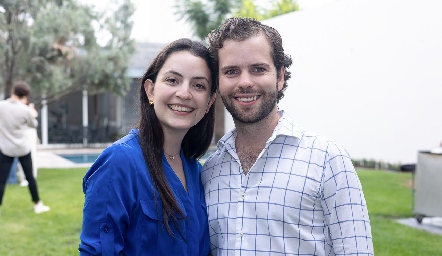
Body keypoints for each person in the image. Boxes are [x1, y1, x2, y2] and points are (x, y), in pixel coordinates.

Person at [201, 17, 374, 255]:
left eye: (258, 69)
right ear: (218, 83)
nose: (245, 82)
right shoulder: (211, 170)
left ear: (280, 77)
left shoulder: (328, 159)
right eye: (231, 72)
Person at [79, 38, 217, 255]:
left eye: (199, 85)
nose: (184, 93)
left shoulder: (197, 171)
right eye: (172, 80)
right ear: (150, 91)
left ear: (209, 102)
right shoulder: (119, 162)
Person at [0, 81, 50, 215]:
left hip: (5, 148)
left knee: (1, 180)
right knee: (30, 178)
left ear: (13, 91)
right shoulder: (24, 109)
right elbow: (33, 124)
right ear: (24, 96)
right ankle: (38, 205)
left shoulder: (1, 106)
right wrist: (32, 111)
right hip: (22, 148)